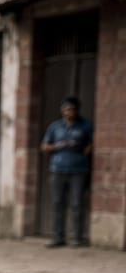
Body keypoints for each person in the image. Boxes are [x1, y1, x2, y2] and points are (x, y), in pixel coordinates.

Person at [41, 97, 93, 247]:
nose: (69, 112)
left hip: (78, 170)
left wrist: (87, 149)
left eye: (72, 109)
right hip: (58, 170)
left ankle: (77, 237)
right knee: (58, 204)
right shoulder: (55, 127)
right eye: (66, 109)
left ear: (77, 110)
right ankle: (58, 238)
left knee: (76, 204)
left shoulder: (86, 126)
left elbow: (93, 142)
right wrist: (59, 145)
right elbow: (44, 146)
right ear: (62, 110)